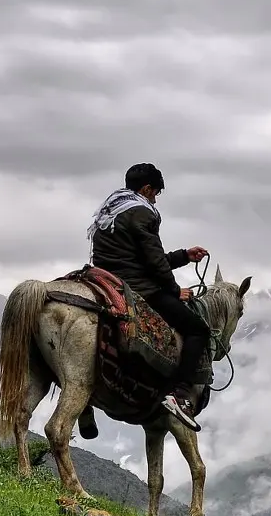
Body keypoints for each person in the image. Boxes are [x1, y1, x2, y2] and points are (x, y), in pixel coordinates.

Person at [87, 162, 210, 430]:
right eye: (155, 193)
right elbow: (154, 265)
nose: (155, 199)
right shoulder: (143, 213)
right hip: (137, 288)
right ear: (146, 189)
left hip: (105, 280)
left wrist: (183, 256)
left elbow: (137, 259)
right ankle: (179, 395)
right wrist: (176, 292)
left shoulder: (109, 211)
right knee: (198, 330)